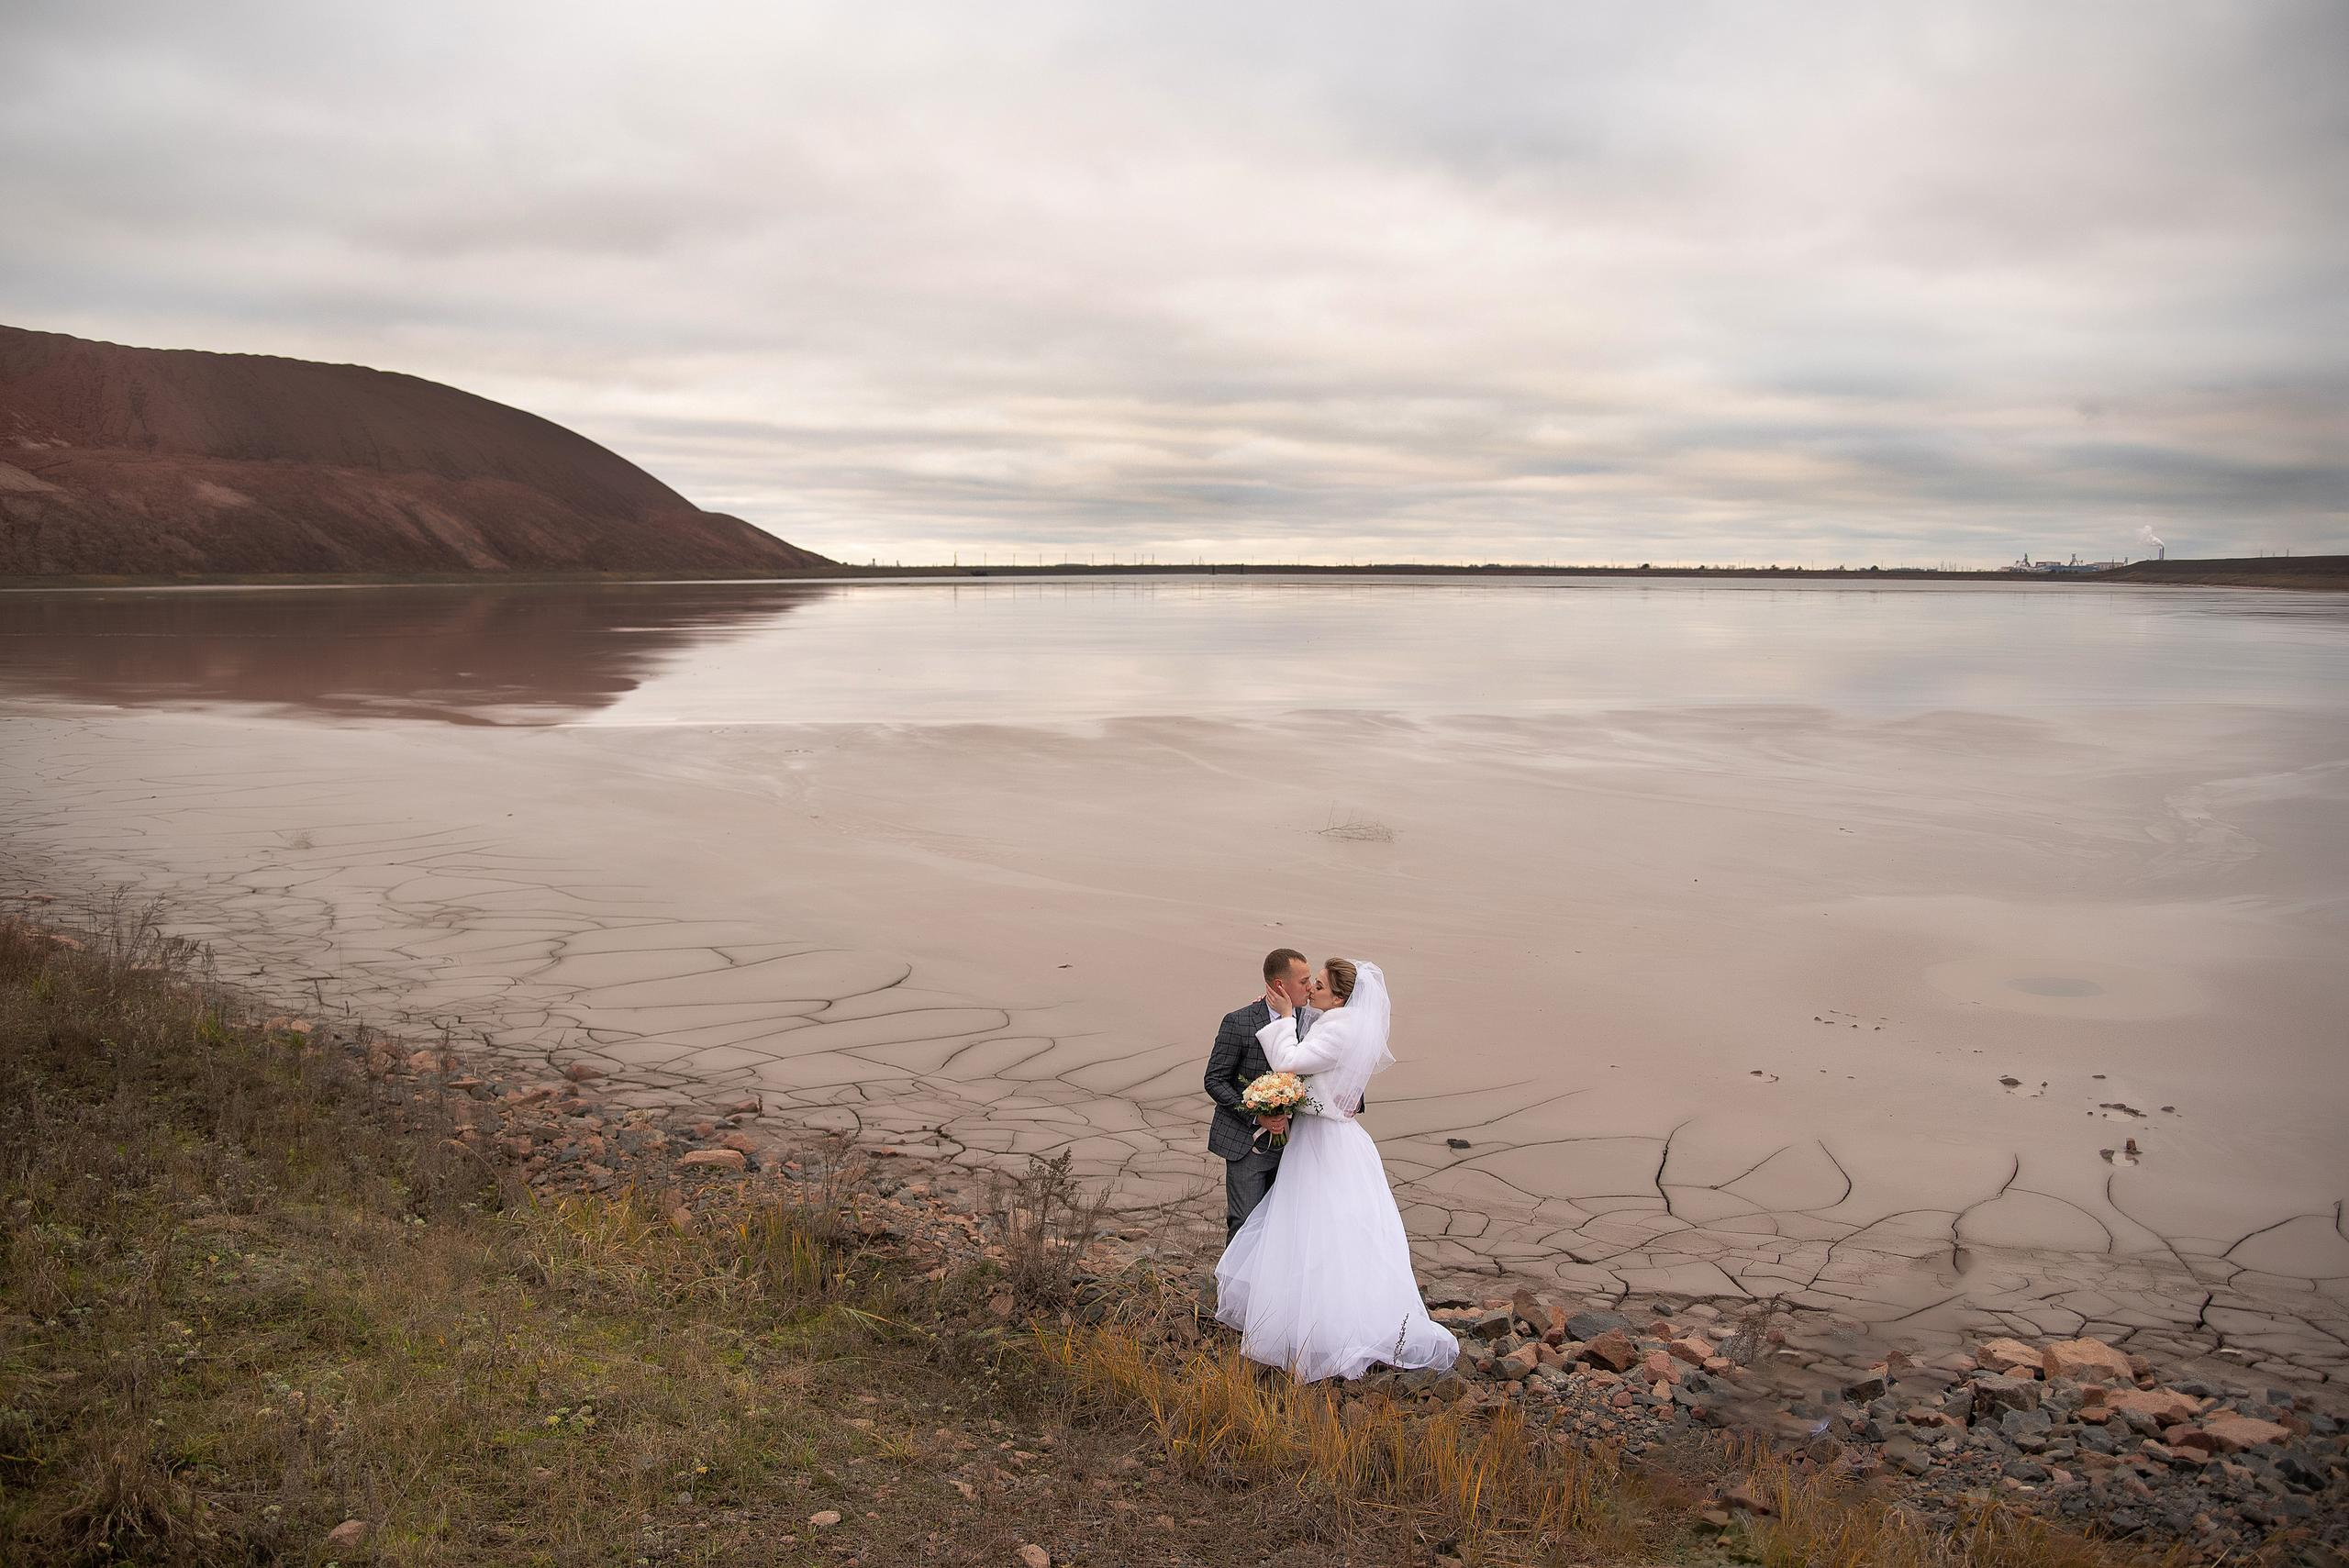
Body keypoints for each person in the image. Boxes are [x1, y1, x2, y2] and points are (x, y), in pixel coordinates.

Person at [1212, 958, 1461, 1383]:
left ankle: (1322, 1326)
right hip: (1317, 1137)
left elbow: (1288, 1059)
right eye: (1309, 982)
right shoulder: (1339, 1021)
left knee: (1321, 1228)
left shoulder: (1338, 1027)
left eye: (1319, 985)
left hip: (1324, 1141)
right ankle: (1295, 1313)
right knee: (1308, 1226)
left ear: (1341, 997)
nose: (1311, 990)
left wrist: (1286, 1018)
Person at [1204, 949, 1320, 1240]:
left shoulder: (1311, 1024)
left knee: (1284, 1226)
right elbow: (1215, 1080)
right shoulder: (1239, 1022)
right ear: (1281, 985)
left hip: (1294, 1147)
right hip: (1245, 1144)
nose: (1309, 988)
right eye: (1304, 981)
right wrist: (1256, 1114)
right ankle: (1233, 1287)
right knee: (1244, 1224)